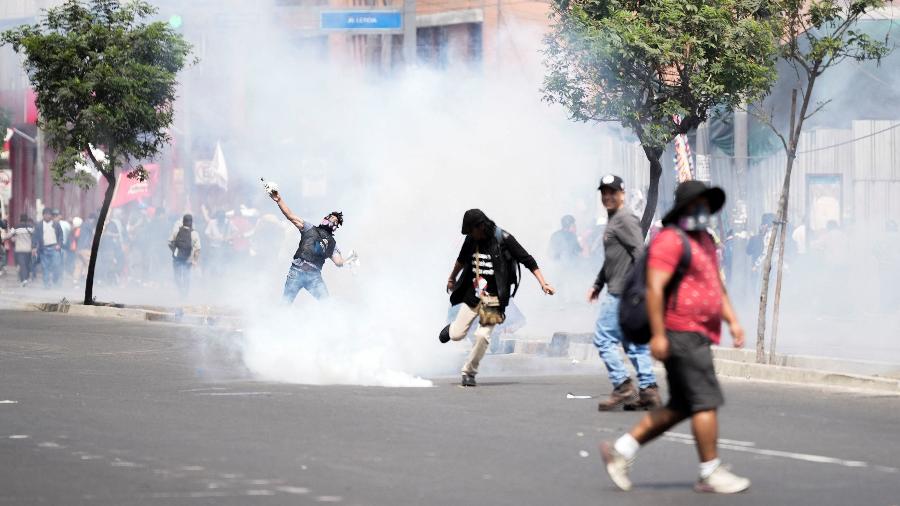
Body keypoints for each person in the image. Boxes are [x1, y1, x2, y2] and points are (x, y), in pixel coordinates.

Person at [601, 181, 749, 494]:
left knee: (682, 406)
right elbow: (655, 288)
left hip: (700, 333)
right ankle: (710, 471)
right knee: (705, 402)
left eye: (706, 205)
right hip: (682, 331)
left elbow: (714, 286)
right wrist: (658, 335)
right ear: (683, 209)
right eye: (697, 205)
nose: (703, 211)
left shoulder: (705, 241)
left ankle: (621, 451)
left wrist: (733, 321)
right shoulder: (671, 240)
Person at [439, 209, 555, 387]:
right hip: (473, 294)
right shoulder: (471, 238)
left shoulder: (504, 238)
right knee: (456, 335)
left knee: (483, 336)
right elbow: (461, 259)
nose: (470, 235)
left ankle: (469, 372)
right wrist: (452, 277)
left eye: (472, 231)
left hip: (494, 298)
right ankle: (452, 328)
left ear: (481, 226)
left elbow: (528, 260)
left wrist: (543, 283)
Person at [588, 175, 660, 411]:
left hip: (622, 292)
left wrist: (640, 288)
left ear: (623, 193)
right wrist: (598, 284)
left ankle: (622, 385)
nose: (607, 196)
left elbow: (640, 254)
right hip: (622, 290)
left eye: (612, 192)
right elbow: (612, 259)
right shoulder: (614, 219)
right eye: (604, 193)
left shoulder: (625, 218)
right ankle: (649, 391)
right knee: (633, 343)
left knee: (603, 339)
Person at [268, 188, 353, 303]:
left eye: (335, 221)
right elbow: (290, 216)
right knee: (285, 304)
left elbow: (338, 262)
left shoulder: (333, 244)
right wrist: (279, 200)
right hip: (297, 271)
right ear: (325, 218)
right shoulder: (309, 228)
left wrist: (349, 260)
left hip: (314, 276)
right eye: (331, 218)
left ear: (336, 227)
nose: (332, 221)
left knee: (327, 304)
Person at [168, 214, 201, 296]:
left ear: (183, 222)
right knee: (187, 276)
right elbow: (197, 249)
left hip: (177, 258)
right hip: (188, 259)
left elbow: (169, 242)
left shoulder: (177, 232)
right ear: (191, 223)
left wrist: (174, 251)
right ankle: (185, 294)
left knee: (177, 277)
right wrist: (195, 260)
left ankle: (180, 291)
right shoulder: (194, 234)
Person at [33, 208, 64, 288]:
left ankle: (55, 279)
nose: (47, 216)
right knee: (45, 267)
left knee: (57, 265)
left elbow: (61, 235)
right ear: (43, 215)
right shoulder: (39, 225)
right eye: (45, 214)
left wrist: (59, 245)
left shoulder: (56, 224)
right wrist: (34, 247)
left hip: (55, 248)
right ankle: (46, 284)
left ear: (51, 216)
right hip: (44, 249)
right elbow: (35, 237)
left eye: (49, 214)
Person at [10, 214, 34, 286]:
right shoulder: (31, 227)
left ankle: (23, 279)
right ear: (27, 219)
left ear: (20, 219)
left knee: (22, 264)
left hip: (19, 249)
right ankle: (25, 278)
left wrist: (4, 238)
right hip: (28, 249)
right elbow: (34, 236)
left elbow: (10, 235)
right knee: (26, 264)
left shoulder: (16, 227)